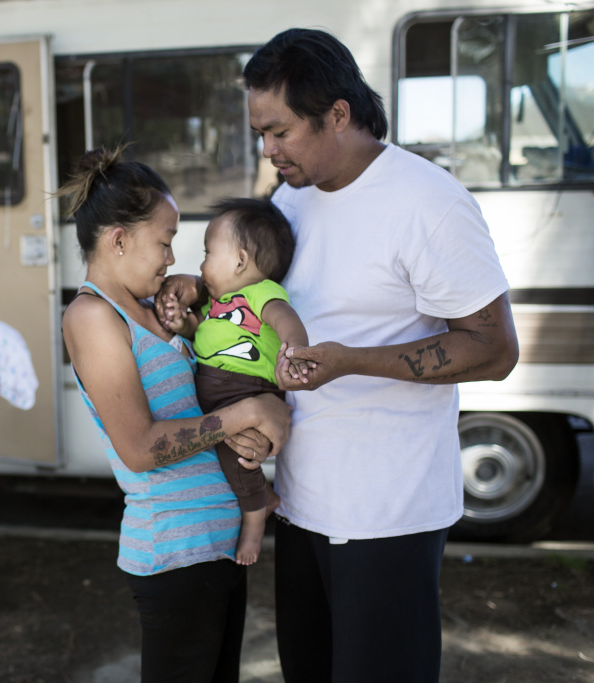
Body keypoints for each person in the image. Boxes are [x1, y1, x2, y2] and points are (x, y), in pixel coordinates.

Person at [158, 28, 519, 683]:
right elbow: (245, 283)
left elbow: (494, 348)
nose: (267, 151)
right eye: (259, 134)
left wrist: (351, 360)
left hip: (387, 514)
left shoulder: (426, 201)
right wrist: (191, 283)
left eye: (279, 132)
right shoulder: (290, 198)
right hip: (302, 503)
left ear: (339, 115)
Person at [59, 147, 292, 683]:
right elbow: (140, 448)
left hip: (217, 548)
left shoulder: (153, 309)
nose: (169, 257)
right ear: (119, 239)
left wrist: (247, 434)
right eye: (164, 242)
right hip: (175, 552)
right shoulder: (92, 316)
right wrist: (248, 413)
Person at [159, 197, 310, 565]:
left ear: (240, 260)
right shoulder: (215, 304)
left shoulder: (262, 293)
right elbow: (206, 335)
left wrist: (294, 352)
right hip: (217, 389)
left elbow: (285, 319)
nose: (201, 264)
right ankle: (261, 499)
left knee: (235, 458)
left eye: (208, 252)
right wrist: (184, 324)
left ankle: (257, 516)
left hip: (246, 388)